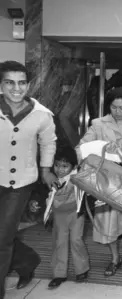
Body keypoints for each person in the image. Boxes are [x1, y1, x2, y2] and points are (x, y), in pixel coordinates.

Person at [77, 86, 122, 277]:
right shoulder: (98, 124)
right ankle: (115, 258)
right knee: (108, 222)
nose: (117, 112)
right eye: (114, 107)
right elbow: (81, 147)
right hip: (107, 181)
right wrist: (99, 148)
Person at [0, 61, 57, 298]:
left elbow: (48, 143)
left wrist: (45, 170)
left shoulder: (41, 115)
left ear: (29, 84)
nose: (16, 88)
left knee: (2, 239)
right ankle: (27, 261)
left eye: (22, 82)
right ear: (1, 84)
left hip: (20, 183)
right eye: (10, 82)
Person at [47, 146, 90, 289]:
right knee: (60, 242)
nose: (60, 169)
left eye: (65, 166)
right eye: (57, 165)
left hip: (76, 213)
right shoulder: (51, 179)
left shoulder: (76, 177)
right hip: (59, 215)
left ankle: (82, 269)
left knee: (76, 240)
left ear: (73, 166)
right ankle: (59, 274)